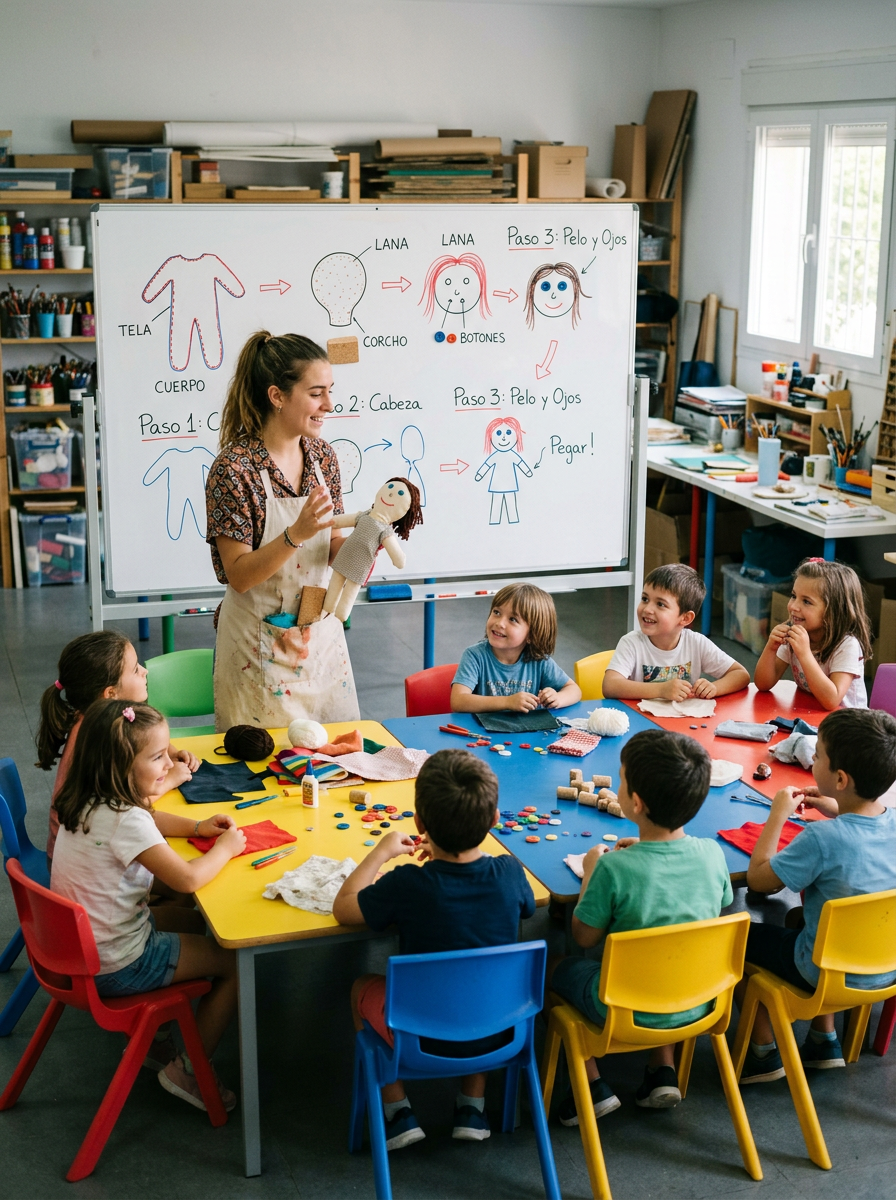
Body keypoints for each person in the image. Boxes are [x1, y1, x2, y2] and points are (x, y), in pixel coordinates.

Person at [333, 749, 535, 1148]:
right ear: (494, 821)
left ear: (419, 823)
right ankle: (472, 1106)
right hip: (501, 1031)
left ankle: (398, 1113)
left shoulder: (408, 884)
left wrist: (382, 851)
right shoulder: (509, 873)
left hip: (419, 1037)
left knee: (360, 987)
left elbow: (344, 908)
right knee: (479, 979)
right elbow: (527, 905)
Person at [52, 699, 246, 1111]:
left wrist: (197, 826)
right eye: (157, 757)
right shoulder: (127, 819)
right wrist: (226, 847)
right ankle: (189, 1071)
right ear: (121, 766)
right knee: (235, 962)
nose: (167, 765)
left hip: (80, 948)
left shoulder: (89, 797)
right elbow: (188, 878)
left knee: (191, 921)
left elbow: (150, 823)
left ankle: (156, 1036)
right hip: (117, 963)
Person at [548, 729, 732, 1121]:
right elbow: (716, 907)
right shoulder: (713, 855)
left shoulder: (614, 868)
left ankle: (591, 1083)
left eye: (622, 776)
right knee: (667, 950)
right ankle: (661, 1069)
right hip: (700, 999)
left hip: (624, 1009)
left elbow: (583, 937)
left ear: (634, 802)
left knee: (551, 967)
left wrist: (591, 875)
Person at [205, 330, 359, 730]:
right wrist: (296, 533)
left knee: (333, 762)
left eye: (330, 391)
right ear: (277, 396)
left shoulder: (324, 458)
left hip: (318, 643)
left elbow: (334, 546)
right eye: (316, 393)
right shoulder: (233, 469)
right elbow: (239, 575)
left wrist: (366, 546)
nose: (328, 404)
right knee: (262, 769)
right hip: (256, 650)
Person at [735, 708, 896, 1083]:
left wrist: (777, 814)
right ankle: (824, 1040)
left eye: (818, 755)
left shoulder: (823, 838)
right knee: (799, 920)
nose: (813, 760)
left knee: (737, 938)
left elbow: (760, 881)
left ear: (840, 778)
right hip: (885, 966)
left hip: (822, 972)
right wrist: (837, 808)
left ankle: (762, 1052)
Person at [36, 631, 199, 860]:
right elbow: (122, 808)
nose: (145, 671)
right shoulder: (102, 738)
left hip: (80, 852)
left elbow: (144, 738)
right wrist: (170, 780)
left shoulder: (99, 716)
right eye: (135, 670)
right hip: (86, 862)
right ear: (110, 693)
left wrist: (170, 752)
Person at [602, 564, 750, 701]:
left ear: (685, 618)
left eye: (660, 604)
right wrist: (661, 690)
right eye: (645, 599)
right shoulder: (632, 643)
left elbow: (740, 674)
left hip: (681, 722)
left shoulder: (696, 643)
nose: (647, 609)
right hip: (642, 721)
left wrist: (714, 688)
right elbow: (610, 686)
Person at [754, 558, 871, 709]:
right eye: (794, 596)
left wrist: (804, 654)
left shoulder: (847, 645)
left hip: (848, 725)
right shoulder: (795, 633)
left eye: (807, 602)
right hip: (812, 716)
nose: (793, 606)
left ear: (832, 611)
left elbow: (831, 700)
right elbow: (763, 684)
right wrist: (771, 647)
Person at [451, 583, 582, 713]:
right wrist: (508, 702)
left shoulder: (539, 661)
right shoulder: (474, 656)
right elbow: (458, 701)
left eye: (513, 619)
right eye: (496, 612)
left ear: (532, 634)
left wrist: (557, 698)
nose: (500, 623)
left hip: (525, 731)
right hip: (484, 731)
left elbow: (574, 690)